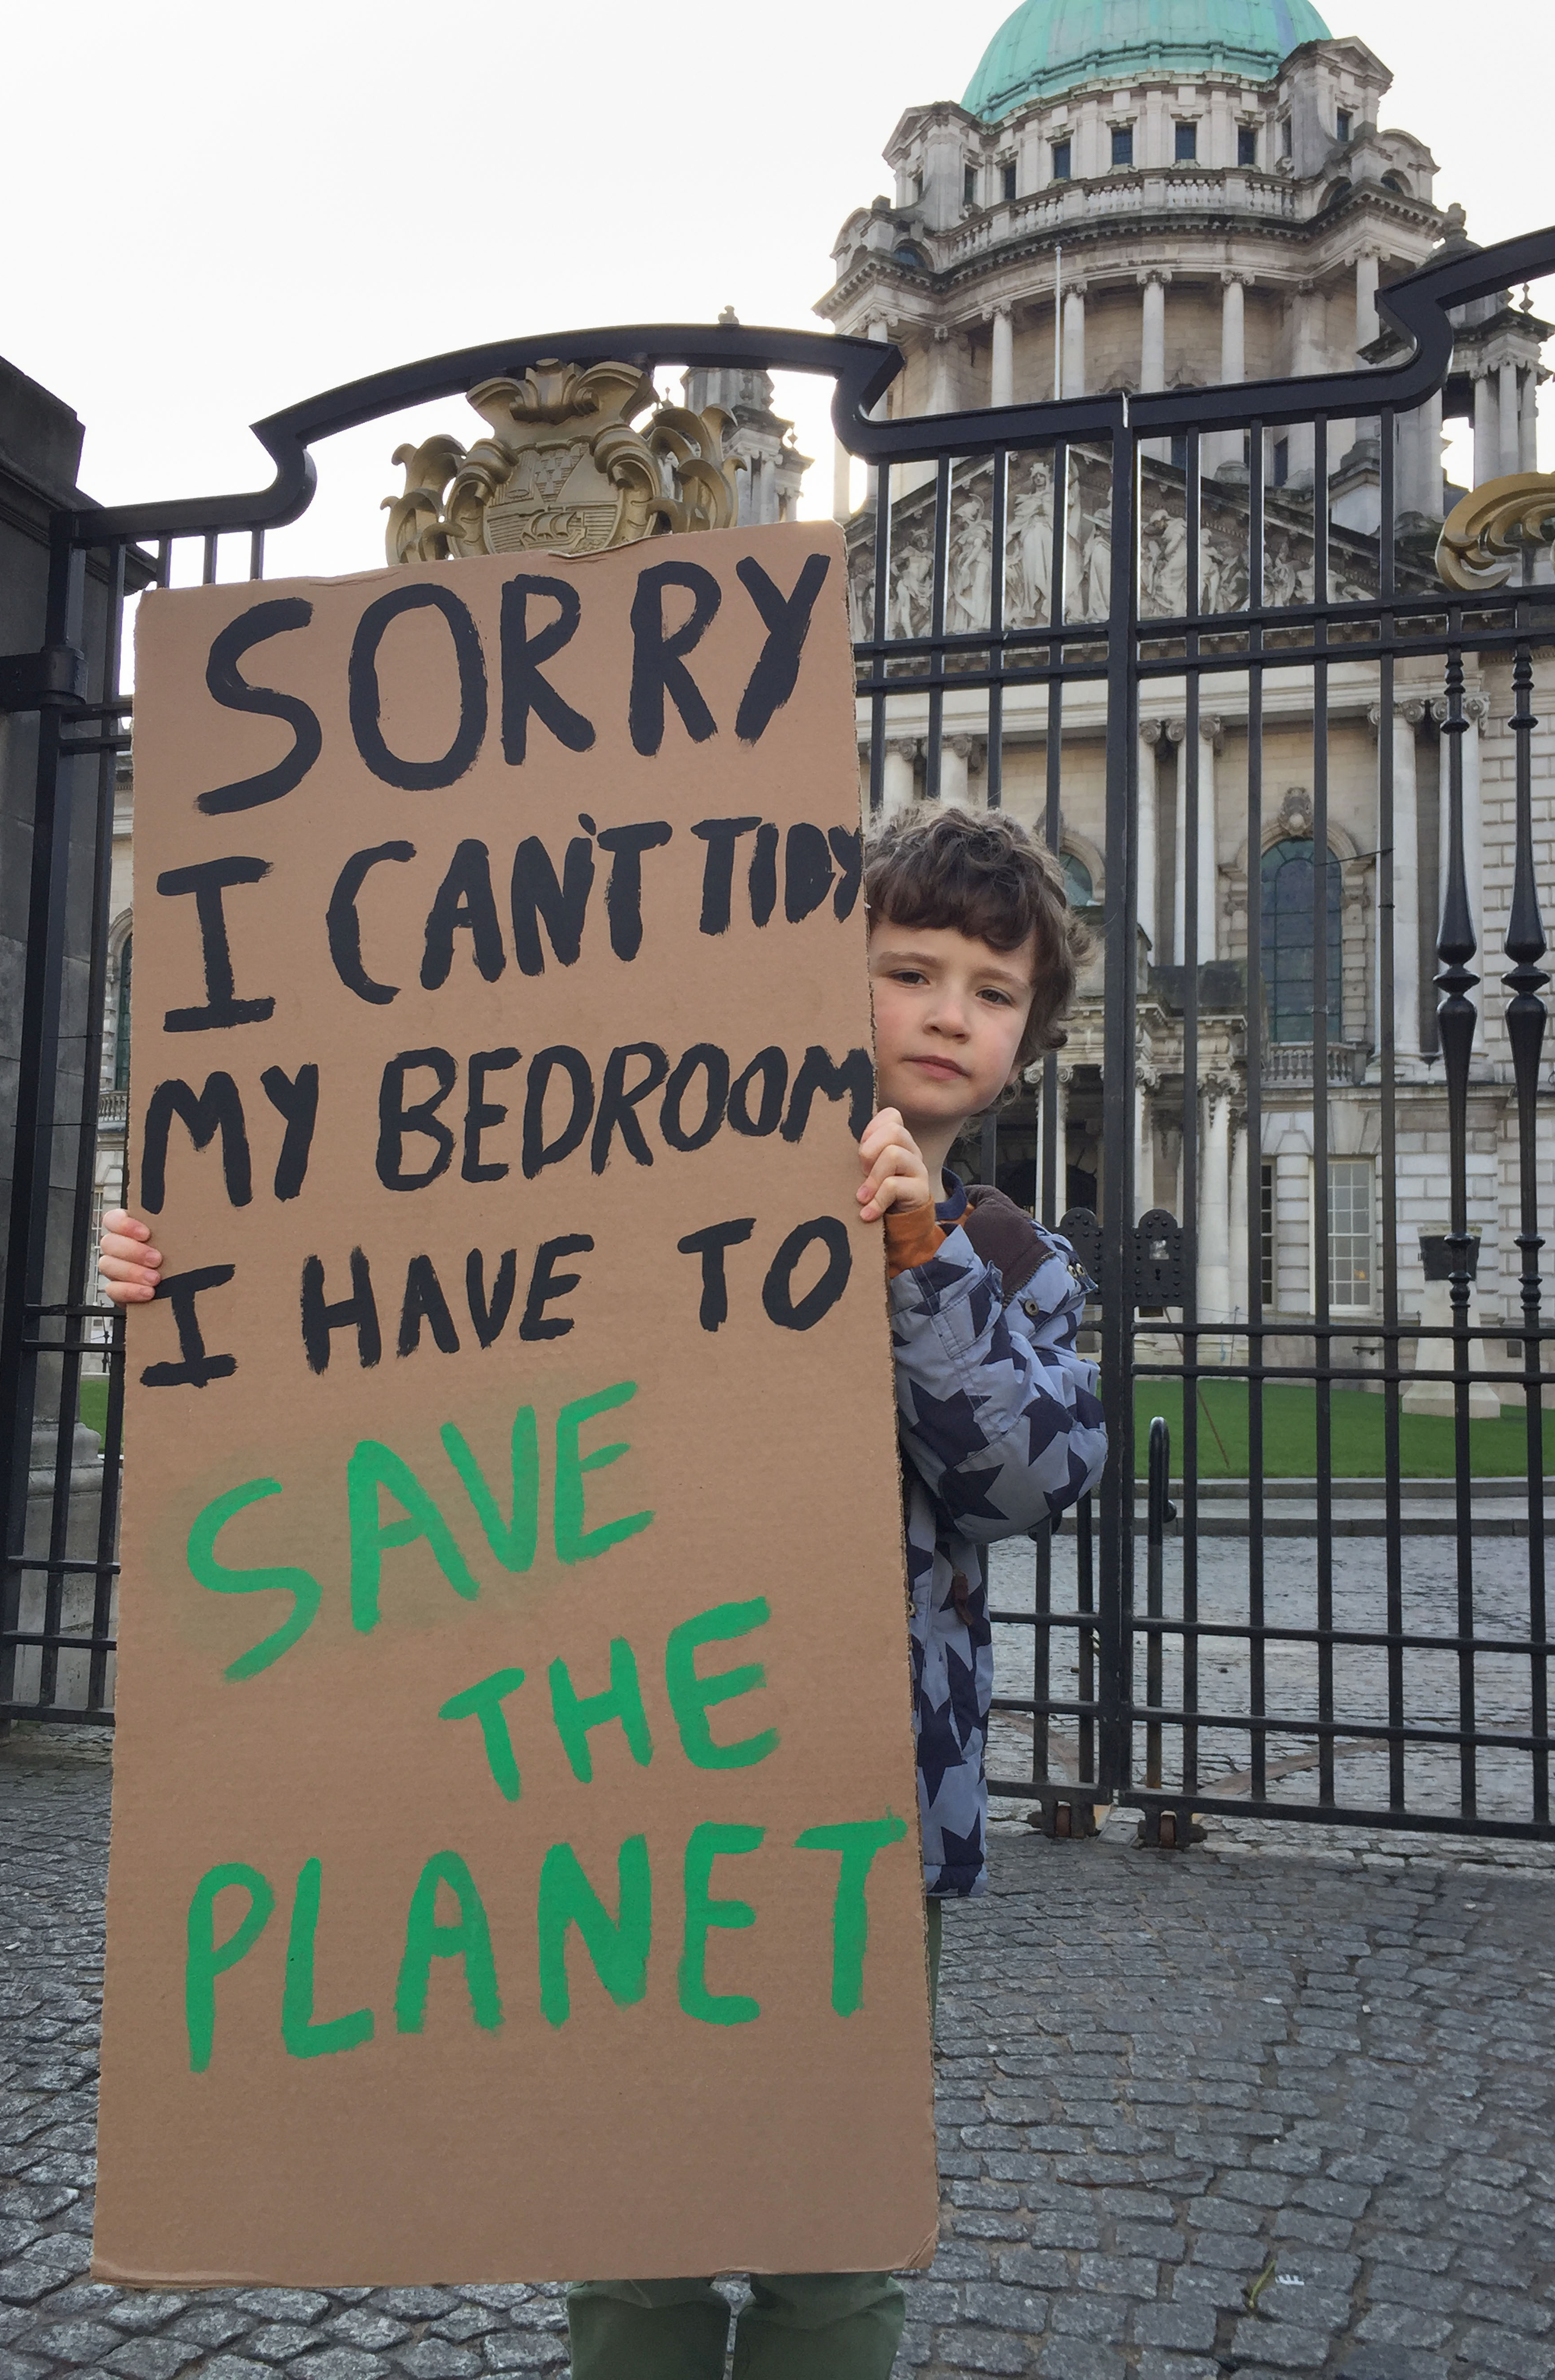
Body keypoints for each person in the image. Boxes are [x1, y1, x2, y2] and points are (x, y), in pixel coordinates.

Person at [97, 804, 1108, 2380]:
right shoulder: (623, 1185)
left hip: (861, 1805)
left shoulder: (1009, 1257)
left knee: (833, 2235)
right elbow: (398, 1341)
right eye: (908, 971)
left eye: (991, 991)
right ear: (819, 983)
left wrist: (914, 1248)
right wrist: (205, 1281)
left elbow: (1027, 1481)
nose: (947, 1014)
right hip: (622, 1776)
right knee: (630, 2222)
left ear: (1027, 1038)